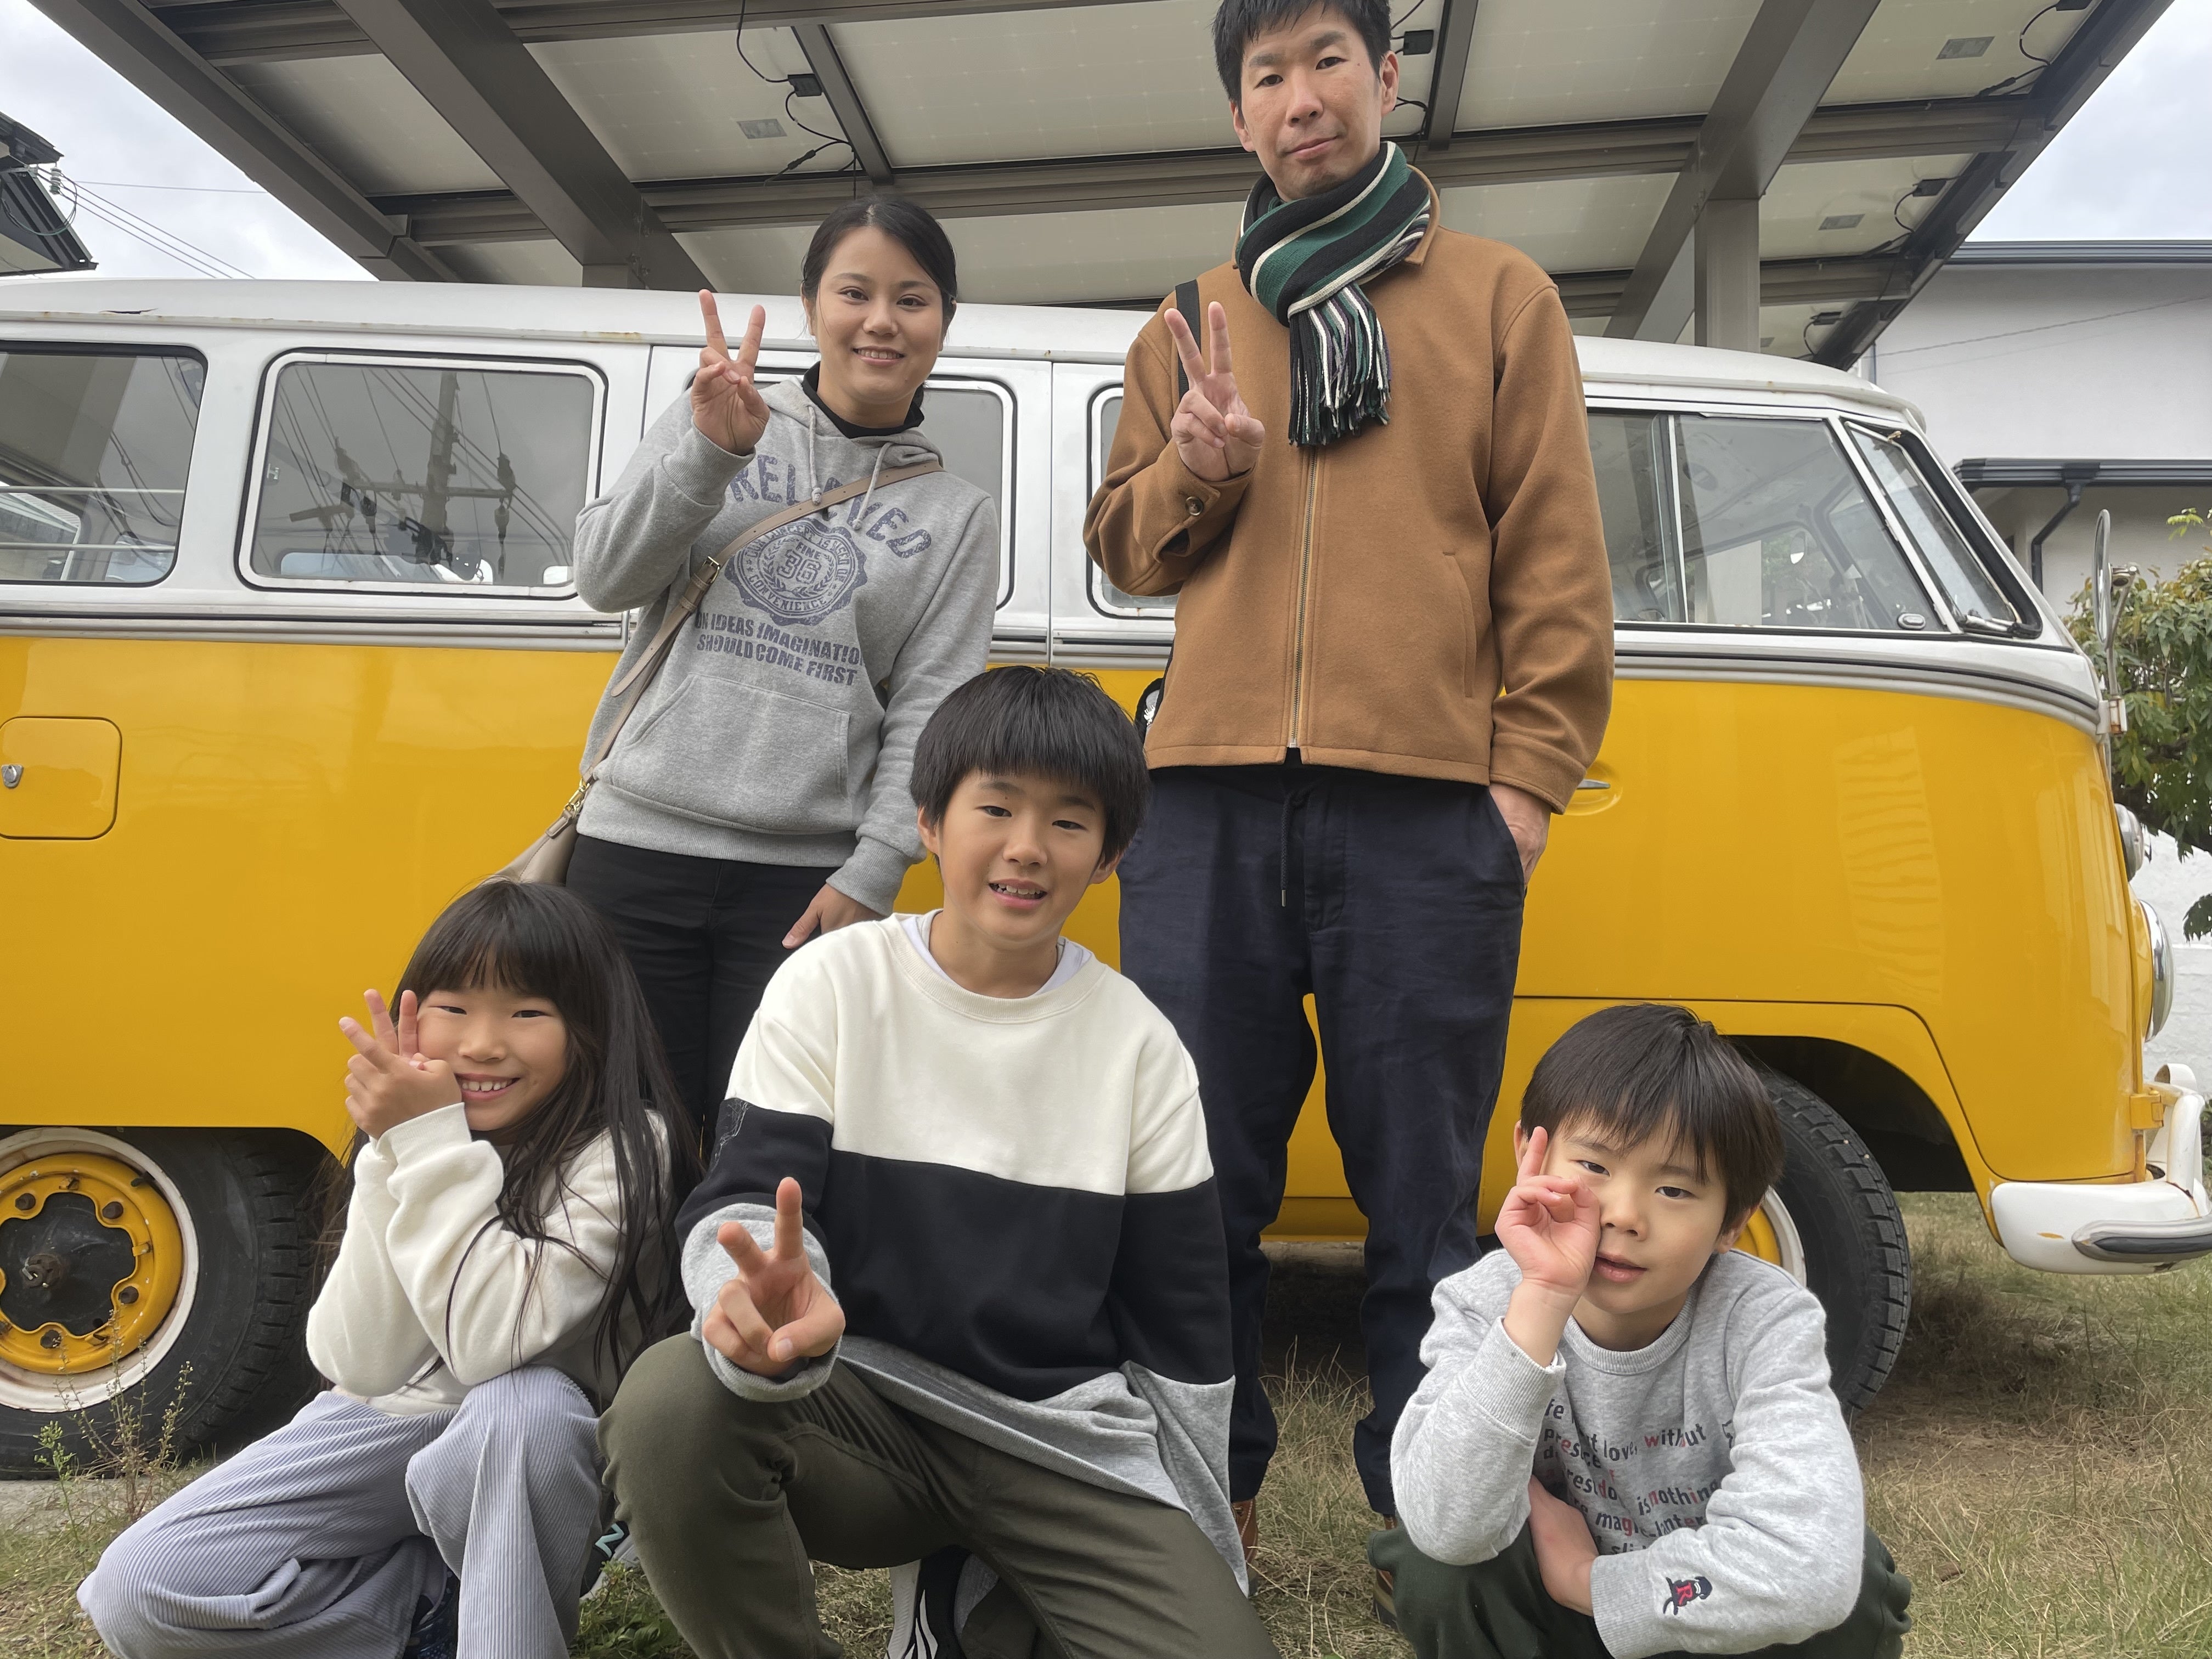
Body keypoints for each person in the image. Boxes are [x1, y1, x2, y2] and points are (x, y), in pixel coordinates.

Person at [1082, 0, 1616, 1549]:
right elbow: (1124, 550)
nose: (1301, 96)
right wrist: (1197, 467)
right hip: (1204, 802)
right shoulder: (1188, 318)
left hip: (1427, 811)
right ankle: (1211, 1501)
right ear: (1239, 115)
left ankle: (1429, 1517)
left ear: (1386, 78)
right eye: (1268, 75)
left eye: (1328, 61)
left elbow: (1557, 563)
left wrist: (1522, 788)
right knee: (1194, 1179)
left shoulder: (1502, 297)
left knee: (1424, 1198)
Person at [599, 667, 1279, 1659]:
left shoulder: (1141, 1048)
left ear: (1110, 854)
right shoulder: (833, 983)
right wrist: (766, 1308)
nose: (1026, 847)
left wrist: (1204, 1550)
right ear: (927, 821)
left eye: (1069, 822)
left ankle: (970, 1600)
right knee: (671, 1400)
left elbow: (1182, 1331)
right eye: (994, 808)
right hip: (860, 1410)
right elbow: (744, 1201)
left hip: (1059, 1442)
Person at [78, 882, 699, 1659]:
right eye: (453, 1008)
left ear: (591, 1028)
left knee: (523, 1405)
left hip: (530, 1447)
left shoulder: (626, 1148)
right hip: (391, 1423)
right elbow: (359, 1364)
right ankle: (428, 1611)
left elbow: (493, 1346)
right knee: (137, 1591)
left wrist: (431, 1144)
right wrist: (393, 1153)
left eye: (527, 1013)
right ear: (414, 1015)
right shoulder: (409, 1139)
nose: (482, 1044)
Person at [567, 196, 1000, 1145]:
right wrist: (710, 453)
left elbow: (933, 708)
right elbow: (604, 578)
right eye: (854, 292)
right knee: (619, 1140)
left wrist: (876, 871)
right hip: (635, 848)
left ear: (943, 322)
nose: (881, 321)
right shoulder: (714, 413)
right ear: (811, 305)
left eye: (912, 299)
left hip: (805, 883)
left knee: (770, 1141)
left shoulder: (958, 513)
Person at [1377, 1004, 1914, 1659]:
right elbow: (1444, 1527)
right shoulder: (1483, 1301)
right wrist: (1542, 1299)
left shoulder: (1763, 1319)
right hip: (1552, 1629)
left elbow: (1812, 1574)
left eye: (1675, 1191)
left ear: (1733, 1222)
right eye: (1594, 1167)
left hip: (1706, 1615)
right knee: (1439, 1573)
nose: (1624, 1215)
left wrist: (1592, 1582)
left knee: (1856, 1582)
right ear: (1529, 1155)